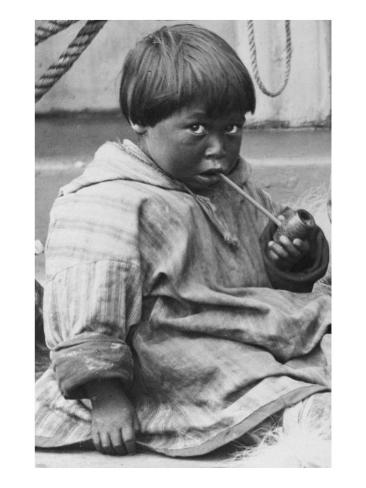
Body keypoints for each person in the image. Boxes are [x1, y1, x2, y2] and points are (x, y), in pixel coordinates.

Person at [35, 23, 331, 458]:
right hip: (165, 352)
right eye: (197, 128)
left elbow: (260, 261)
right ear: (141, 121)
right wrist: (106, 397)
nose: (219, 148)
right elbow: (87, 314)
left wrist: (290, 257)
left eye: (232, 128)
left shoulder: (227, 180)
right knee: (277, 390)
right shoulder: (108, 203)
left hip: (240, 320)